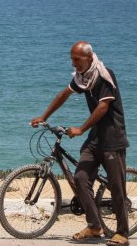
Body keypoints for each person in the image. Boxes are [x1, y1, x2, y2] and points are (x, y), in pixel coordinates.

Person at [31, 41, 130, 246]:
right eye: (72, 60)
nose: (74, 64)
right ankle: (94, 226)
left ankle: (122, 232)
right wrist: (44, 116)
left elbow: (103, 107)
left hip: (112, 137)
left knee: (116, 186)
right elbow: (64, 95)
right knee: (81, 178)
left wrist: (81, 129)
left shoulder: (103, 76)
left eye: (77, 59)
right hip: (95, 138)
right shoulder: (82, 78)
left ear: (90, 58)